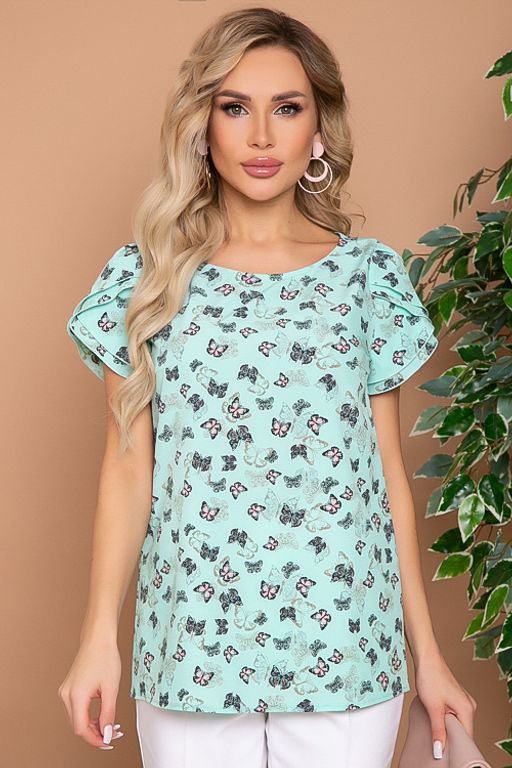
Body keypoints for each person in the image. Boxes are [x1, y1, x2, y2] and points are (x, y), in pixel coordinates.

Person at [58, 7, 477, 767]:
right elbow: (126, 468)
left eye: (286, 108)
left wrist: (430, 658)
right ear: (201, 125)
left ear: (319, 128)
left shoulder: (366, 277)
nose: (260, 136)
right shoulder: (145, 279)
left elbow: (385, 478)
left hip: (347, 644)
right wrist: (97, 640)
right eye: (234, 108)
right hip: (189, 648)